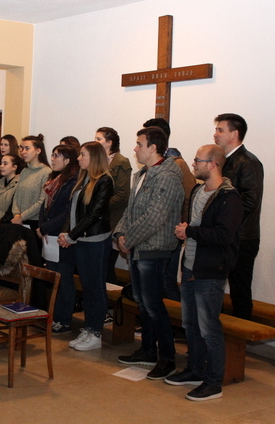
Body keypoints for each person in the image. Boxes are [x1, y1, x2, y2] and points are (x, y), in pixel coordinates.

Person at [166, 144, 243, 402]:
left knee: (209, 328)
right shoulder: (198, 190)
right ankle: (195, 369)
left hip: (210, 271)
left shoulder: (229, 198)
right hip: (190, 266)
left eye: (198, 160)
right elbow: (198, 225)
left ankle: (213, 382)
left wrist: (189, 231)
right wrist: (187, 228)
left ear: (212, 164)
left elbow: (223, 235)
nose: (193, 164)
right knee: (190, 324)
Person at [114, 127, 184, 379]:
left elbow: (155, 216)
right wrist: (119, 234)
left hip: (154, 249)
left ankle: (167, 358)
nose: (135, 148)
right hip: (138, 247)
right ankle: (147, 350)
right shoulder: (143, 173)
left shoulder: (166, 176)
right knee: (143, 303)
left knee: (154, 305)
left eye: (139, 144)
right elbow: (130, 210)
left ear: (153, 148)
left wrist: (129, 240)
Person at [57, 142, 114, 350]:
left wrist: (71, 235)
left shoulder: (104, 180)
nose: (79, 158)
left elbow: (94, 214)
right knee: (87, 287)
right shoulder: (83, 180)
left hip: (96, 241)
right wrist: (66, 232)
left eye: (82, 155)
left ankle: (96, 333)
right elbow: (72, 211)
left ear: (94, 157)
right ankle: (89, 329)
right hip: (80, 241)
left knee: (96, 287)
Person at [213, 113, 263, 321]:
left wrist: (222, 217)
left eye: (220, 130)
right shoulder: (224, 161)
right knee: (213, 288)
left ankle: (240, 337)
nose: (215, 134)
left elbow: (250, 201)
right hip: (225, 235)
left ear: (234, 134)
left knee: (240, 293)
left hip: (242, 237)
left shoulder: (248, 162)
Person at [143, 118, 196, 301]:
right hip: (151, 233)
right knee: (152, 283)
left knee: (167, 280)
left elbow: (189, 197)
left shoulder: (177, 164)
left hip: (170, 233)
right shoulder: (149, 166)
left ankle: (172, 317)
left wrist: (182, 226)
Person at [36, 145, 79, 334]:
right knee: (54, 279)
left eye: (57, 156)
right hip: (49, 236)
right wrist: (41, 225)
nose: (52, 159)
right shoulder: (54, 179)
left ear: (67, 160)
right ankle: (54, 317)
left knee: (64, 280)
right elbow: (44, 205)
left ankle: (64, 320)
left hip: (62, 237)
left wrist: (45, 227)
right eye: (52, 155)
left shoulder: (72, 182)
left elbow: (67, 213)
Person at [95, 127, 131, 285]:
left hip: (113, 219)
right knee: (98, 267)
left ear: (109, 142)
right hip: (98, 220)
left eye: (99, 139)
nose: (95, 142)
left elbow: (122, 194)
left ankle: (111, 299)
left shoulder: (121, 162)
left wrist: (99, 206)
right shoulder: (97, 160)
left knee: (107, 266)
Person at [11, 134, 51, 232]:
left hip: (34, 222)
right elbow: (16, 196)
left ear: (38, 150)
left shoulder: (46, 172)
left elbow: (42, 201)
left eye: (27, 148)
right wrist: (16, 215)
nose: (23, 152)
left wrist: (22, 217)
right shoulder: (24, 171)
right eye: (21, 148)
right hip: (18, 220)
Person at [0, 153, 24, 221]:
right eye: (1, 163)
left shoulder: (19, 184)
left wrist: (2, 222)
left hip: (9, 222)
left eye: (5, 164)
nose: (1, 166)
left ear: (14, 167)